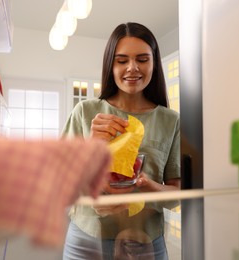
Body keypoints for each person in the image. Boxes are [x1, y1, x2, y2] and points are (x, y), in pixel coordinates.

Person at [62, 22, 181, 260]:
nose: (132, 68)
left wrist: (148, 187)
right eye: (122, 60)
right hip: (86, 242)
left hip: (146, 243)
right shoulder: (85, 112)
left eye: (142, 59)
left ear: (154, 63)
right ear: (111, 65)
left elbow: (176, 196)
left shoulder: (171, 121)